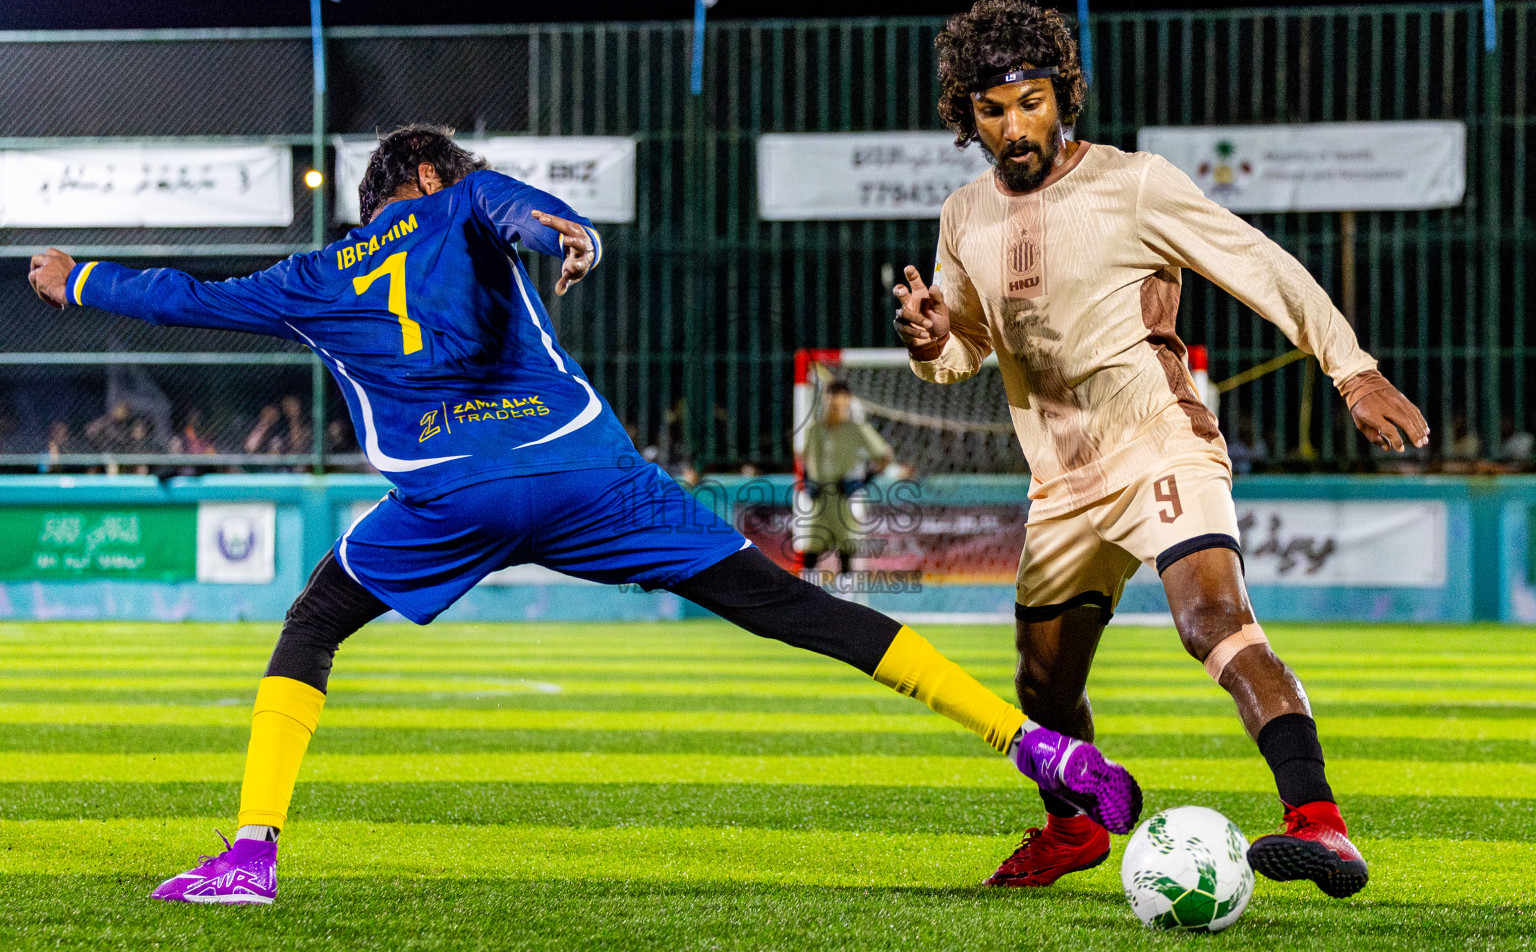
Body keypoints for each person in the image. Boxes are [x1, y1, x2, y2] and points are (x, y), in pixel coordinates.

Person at [28, 123, 1141, 906]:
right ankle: (1030, 742)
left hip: (449, 491)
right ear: (436, 175)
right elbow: (526, 211)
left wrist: (77, 280)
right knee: (787, 605)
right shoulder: (468, 203)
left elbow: (188, 299)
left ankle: (251, 852)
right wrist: (573, 237)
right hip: (587, 469)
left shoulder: (315, 276)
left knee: (313, 622)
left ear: (373, 197)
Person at [892, 0, 1430, 897]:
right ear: (965, 114)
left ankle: (1320, 824)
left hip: (1158, 440)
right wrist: (929, 342)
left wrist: (1352, 370)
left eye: (1032, 101)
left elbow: (1261, 265)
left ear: (1064, 95)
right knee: (1043, 686)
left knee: (1213, 622)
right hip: (1060, 481)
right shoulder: (963, 216)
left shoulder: (1133, 183)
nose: (1015, 126)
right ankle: (1074, 830)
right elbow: (966, 350)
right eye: (993, 109)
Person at [798, 380, 895, 576]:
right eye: (831, 402)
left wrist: (862, 481)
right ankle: (805, 599)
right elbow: (803, 457)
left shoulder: (857, 430)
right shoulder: (814, 430)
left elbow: (885, 456)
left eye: (840, 402)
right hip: (820, 499)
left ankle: (845, 599)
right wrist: (809, 481)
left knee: (846, 550)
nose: (835, 407)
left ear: (848, 402)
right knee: (811, 550)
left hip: (846, 497)